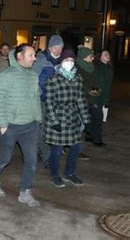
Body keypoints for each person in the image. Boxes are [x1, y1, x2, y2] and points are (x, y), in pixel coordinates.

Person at [0, 44, 42, 207]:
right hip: (10, 126)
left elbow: (35, 98)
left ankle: (25, 191)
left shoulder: (33, 76)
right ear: (20, 57)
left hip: (30, 126)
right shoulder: (6, 75)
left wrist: (38, 118)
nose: (34, 58)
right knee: (5, 158)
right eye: (31, 55)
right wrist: (3, 124)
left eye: (34, 55)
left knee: (31, 161)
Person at [44, 50, 91, 188]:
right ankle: (54, 175)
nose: (69, 62)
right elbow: (49, 102)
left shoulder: (77, 78)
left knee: (76, 147)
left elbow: (80, 99)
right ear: (61, 62)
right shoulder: (53, 79)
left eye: (71, 60)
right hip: (58, 118)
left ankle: (69, 173)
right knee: (57, 151)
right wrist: (54, 122)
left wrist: (86, 120)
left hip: (72, 118)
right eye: (66, 60)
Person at [32, 34, 64, 166]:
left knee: (52, 127)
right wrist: (39, 94)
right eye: (57, 47)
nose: (59, 50)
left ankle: (46, 152)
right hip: (41, 99)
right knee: (42, 128)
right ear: (50, 47)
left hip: (54, 100)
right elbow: (34, 79)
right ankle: (46, 156)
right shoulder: (41, 59)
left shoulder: (60, 61)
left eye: (61, 47)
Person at [76, 47, 106, 147]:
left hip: (93, 97)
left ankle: (96, 138)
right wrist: (89, 91)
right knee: (81, 122)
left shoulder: (92, 67)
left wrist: (96, 91)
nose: (92, 58)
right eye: (90, 56)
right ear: (84, 57)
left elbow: (98, 81)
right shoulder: (76, 68)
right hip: (81, 99)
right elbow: (80, 84)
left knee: (97, 117)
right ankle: (80, 142)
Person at [96, 50, 113, 124]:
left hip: (106, 94)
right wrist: (95, 95)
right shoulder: (97, 68)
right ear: (100, 57)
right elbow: (94, 82)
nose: (108, 55)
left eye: (108, 54)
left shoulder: (109, 67)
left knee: (103, 116)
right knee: (97, 117)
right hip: (98, 95)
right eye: (105, 54)